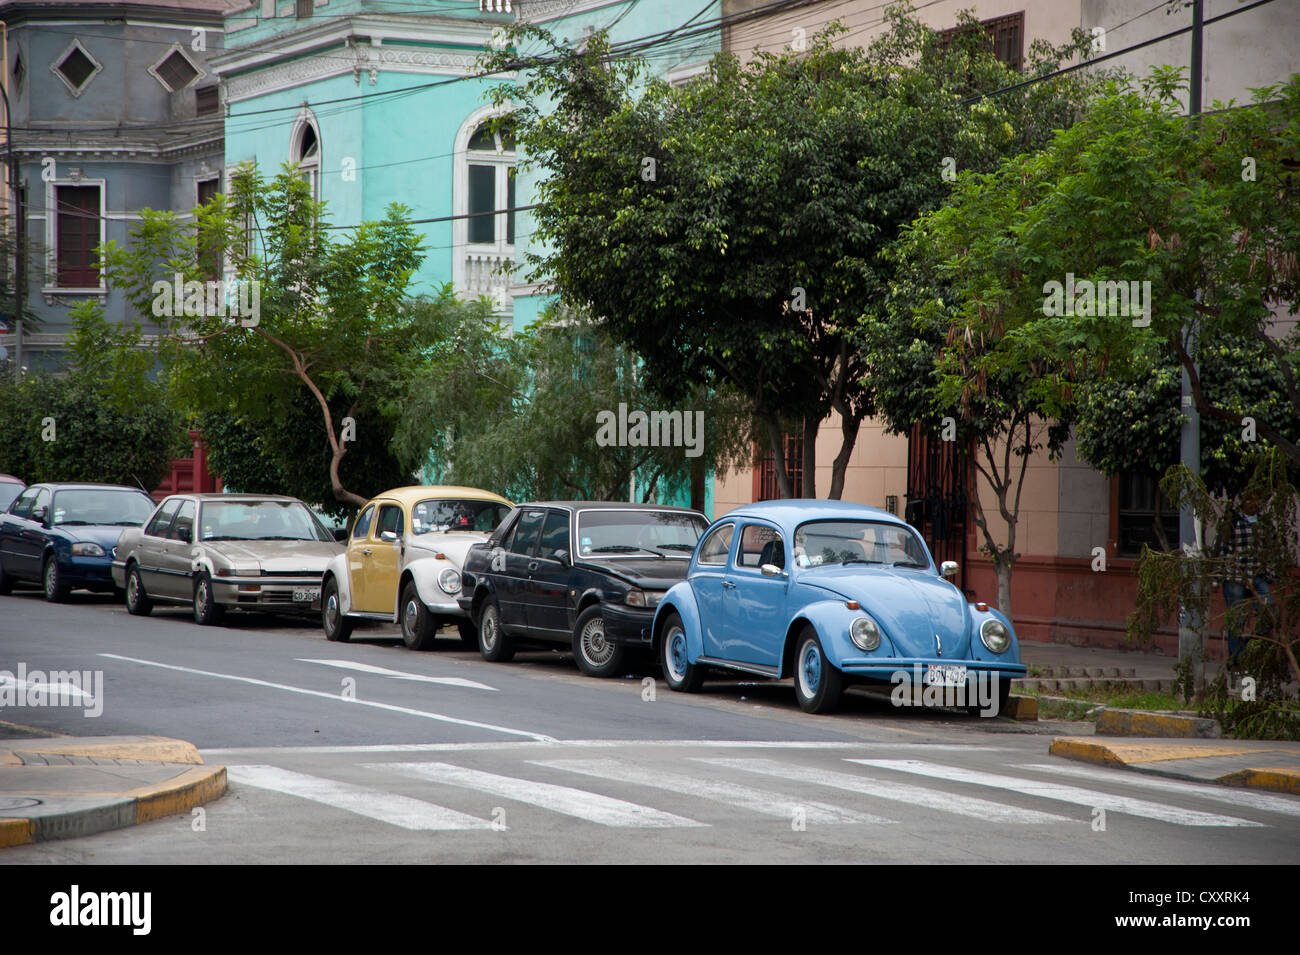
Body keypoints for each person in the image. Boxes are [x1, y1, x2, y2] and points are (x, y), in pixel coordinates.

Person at [1218, 489, 1273, 669]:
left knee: (1269, 613)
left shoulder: (1265, 523)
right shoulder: (1233, 522)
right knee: (1236, 620)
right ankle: (1236, 660)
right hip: (1236, 576)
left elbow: (1271, 549)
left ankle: (1251, 647)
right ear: (1242, 501)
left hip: (1257, 575)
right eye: (1249, 499)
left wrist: (1270, 572)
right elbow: (1222, 549)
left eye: (1256, 499)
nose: (1253, 503)